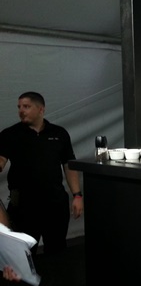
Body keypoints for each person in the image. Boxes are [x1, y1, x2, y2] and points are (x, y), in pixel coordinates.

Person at [0, 92, 83, 256]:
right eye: (19, 107)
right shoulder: (10, 134)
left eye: (26, 106)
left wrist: (77, 195)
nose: (21, 111)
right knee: (23, 253)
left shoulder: (59, 134)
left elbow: (68, 164)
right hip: (23, 205)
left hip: (55, 204)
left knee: (57, 250)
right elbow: (1, 159)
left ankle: (56, 280)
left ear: (41, 109)